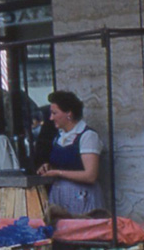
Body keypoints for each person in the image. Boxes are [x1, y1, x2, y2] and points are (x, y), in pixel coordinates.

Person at [36, 90, 106, 218]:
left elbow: (90, 175)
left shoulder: (87, 136)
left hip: (81, 196)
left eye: (54, 113)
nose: (51, 118)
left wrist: (58, 173)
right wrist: (49, 167)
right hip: (59, 195)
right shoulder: (59, 137)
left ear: (69, 113)